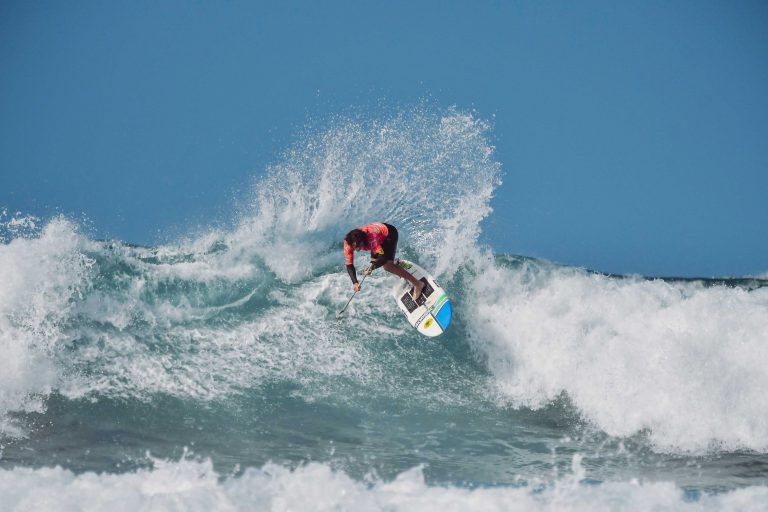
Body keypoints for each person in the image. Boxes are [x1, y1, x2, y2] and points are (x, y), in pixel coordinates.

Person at [343, 222, 425, 301]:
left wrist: (373, 267)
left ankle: (418, 284)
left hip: (389, 234)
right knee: (374, 261)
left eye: (358, 247)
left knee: (387, 266)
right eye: (355, 248)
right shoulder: (348, 244)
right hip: (377, 236)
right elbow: (349, 265)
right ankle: (398, 267)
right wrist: (355, 282)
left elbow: (383, 258)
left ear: (362, 241)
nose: (357, 250)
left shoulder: (371, 239)